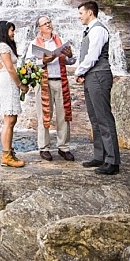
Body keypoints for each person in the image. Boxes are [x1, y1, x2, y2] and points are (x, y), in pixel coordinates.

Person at [74, 0, 121, 175]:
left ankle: (112, 161)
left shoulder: (99, 30)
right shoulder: (89, 30)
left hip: (99, 76)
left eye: (81, 13)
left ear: (90, 13)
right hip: (91, 76)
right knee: (94, 118)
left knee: (104, 118)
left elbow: (93, 55)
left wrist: (79, 71)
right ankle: (100, 156)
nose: (79, 17)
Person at [30, 16, 76, 161]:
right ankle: (44, 147)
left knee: (63, 114)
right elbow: (28, 64)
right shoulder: (34, 44)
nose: (48, 25)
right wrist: (43, 61)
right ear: (39, 28)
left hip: (60, 80)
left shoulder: (60, 41)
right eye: (45, 23)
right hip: (43, 82)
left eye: (49, 22)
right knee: (44, 115)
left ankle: (63, 147)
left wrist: (70, 56)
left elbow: (70, 61)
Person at [0, 20, 29, 168]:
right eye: (11, 30)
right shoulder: (2, 46)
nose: (13, 33)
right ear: (4, 31)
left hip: (9, 83)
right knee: (9, 120)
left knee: (11, 120)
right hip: (9, 83)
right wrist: (21, 84)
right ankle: (6, 155)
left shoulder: (3, 46)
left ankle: (9, 152)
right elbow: (10, 69)